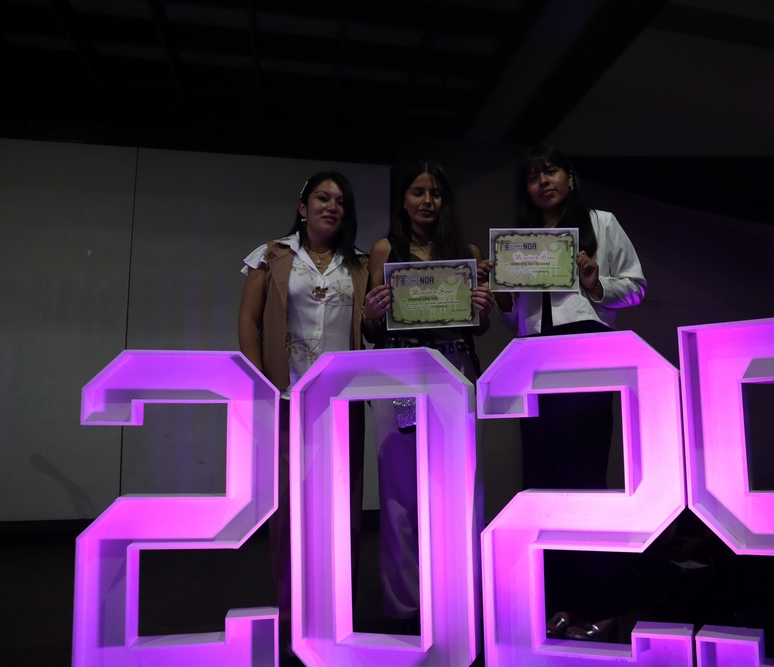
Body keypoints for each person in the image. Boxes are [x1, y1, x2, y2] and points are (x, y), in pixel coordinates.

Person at [495, 145, 647, 641]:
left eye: (551, 171)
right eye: (533, 176)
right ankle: (558, 598)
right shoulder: (518, 240)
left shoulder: (601, 223)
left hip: (585, 351)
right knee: (541, 484)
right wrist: (500, 297)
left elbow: (637, 287)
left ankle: (603, 605)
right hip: (531, 357)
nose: (543, 181)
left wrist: (596, 285)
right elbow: (514, 315)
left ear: (571, 177)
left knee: (583, 481)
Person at [361, 160, 494, 630]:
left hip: (455, 370)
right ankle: (405, 607)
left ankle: (460, 600)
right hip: (400, 374)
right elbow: (372, 330)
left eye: (435, 193)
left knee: (460, 489)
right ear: (404, 199)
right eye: (418, 191)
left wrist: (481, 308)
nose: (426, 201)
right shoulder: (385, 249)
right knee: (400, 495)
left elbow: (479, 327)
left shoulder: (467, 252)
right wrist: (372, 312)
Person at [237, 171, 369, 639]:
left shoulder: (359, 264)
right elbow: (248, 322)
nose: (331, 206)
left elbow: (372, 327)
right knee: (290, 513)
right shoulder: (271, 255)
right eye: (322, 198)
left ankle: (337, 616)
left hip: (342, 405)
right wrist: (262, 384)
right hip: (288, 399)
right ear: (302, 206)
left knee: (343, 513)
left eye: (340, 201)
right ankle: (292, 616)